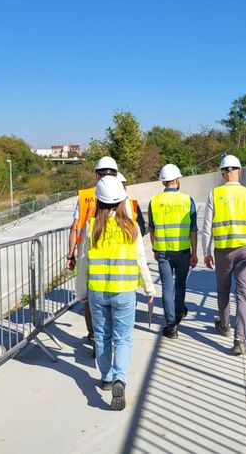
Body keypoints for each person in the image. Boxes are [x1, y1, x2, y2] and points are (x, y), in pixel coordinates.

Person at [75, 175, 155, 411]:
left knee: (102, 336)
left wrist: (81, 291)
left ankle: (108, 378)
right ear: (122, 201)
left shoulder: (91, 227)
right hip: (124, 293)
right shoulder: (132, 227)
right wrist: (149, 288)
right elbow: (141, 261)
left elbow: (83, 263)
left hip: (98, 292)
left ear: (98, 202)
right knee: (123, 338)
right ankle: (120, 378)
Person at [201, 155, 246, 355]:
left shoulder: (215, 193)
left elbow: (207, 227)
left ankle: (225, 325)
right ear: (240, 171)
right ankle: (240, 340)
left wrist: (206, 251)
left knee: (223, 290)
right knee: (243, 294)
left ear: (222, 173)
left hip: (223, 251)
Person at [66, 156, 119, 352]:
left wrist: (71, 255)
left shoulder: (85, 196)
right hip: (116, 256)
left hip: (88, 256)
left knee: (90, 300)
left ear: (96, 174)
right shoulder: (122, 194)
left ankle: (94, 335)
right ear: (115, 173)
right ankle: (110, 337)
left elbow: (74, 228)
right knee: (113, 298)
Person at [148, 163, 198, 339]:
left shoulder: (154, 202)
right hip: (183, 250)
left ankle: (171, 326)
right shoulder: (187, 200)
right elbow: (193, 229)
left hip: (162, 251)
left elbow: (152, 229)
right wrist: (195, 252)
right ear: (177, 180)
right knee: (180, 285)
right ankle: (178, 314)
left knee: (167, 288)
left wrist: (155, 247)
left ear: (163, 182)